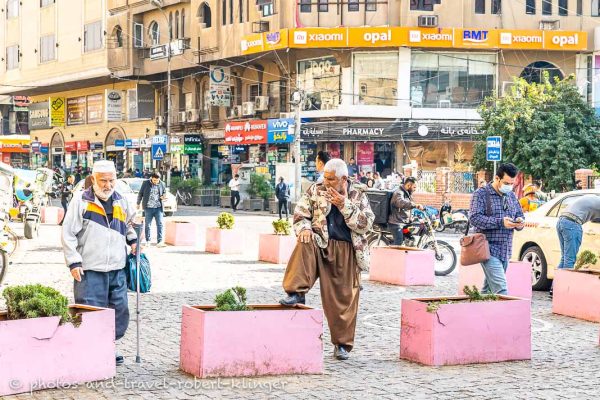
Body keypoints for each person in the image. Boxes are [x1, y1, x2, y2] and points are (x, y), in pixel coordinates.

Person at [279, 159, 374, 361]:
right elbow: (300, 213)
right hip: (320, 242)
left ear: (343, 179)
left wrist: (343, 204)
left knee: (344, 300)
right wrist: (304, 228)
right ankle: (296, 292)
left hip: (346, 249)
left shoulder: (358, 193)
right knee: (304, 241)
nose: (327, 182)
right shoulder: (316, 189)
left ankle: (342, 344)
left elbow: (366, 225)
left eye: (331, 179)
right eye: (326, 178)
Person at [62, 160, 137, 366]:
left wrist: (133, 240)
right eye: (103, 180)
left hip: (117, 267)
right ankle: (91, 350)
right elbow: (68, 233)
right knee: (90, 310)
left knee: (118, 309)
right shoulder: (81, 200)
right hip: (89, 269)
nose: (108, 185)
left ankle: (108, 345)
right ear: (93, 179)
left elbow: (129, 225)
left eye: (111, 180)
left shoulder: (121, 200)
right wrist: (74, 262)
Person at [469, 163, 524, 295]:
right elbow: (475, 218)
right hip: (488, 249)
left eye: (512, 183)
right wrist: (500, 222)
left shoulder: (511, 195)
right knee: (501, 289)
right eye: (506, 182)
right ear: (497, 178)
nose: (509, 186)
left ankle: (478, 312)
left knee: (488, 291)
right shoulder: (481, 194)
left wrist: (520, 223)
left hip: (506, 250)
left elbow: (519, 214)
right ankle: (508, 315)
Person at [556, 194, 600, 270]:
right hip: (572, 225)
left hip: (561, 222)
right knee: (569, 261)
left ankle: (558, 281)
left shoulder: (593, 197)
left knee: (565, 259)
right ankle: (567, 282)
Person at [387, 177, 424, 245]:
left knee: (411, 239)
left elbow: (407, 208)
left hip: (403, 221)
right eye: (414, 187)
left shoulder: (407, 193)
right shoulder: (399, 192)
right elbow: (401, 202)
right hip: (396, 223)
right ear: (408, 185)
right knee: (399, 244)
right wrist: (415, 205)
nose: (415, 189)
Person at [137, 172, 167, 247]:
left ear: (159, 179)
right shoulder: (145, 183)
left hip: (158, 208)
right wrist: (138, 203)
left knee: (160, 224)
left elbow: (164, 193)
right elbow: (140, 193)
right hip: (148, 208)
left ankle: (159, 241)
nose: (155, 182)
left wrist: (163, 197)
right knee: (148, 225)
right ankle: (148, 240)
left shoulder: (162, 184)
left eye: (157, 180)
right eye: (154, 180)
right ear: (151, 178)